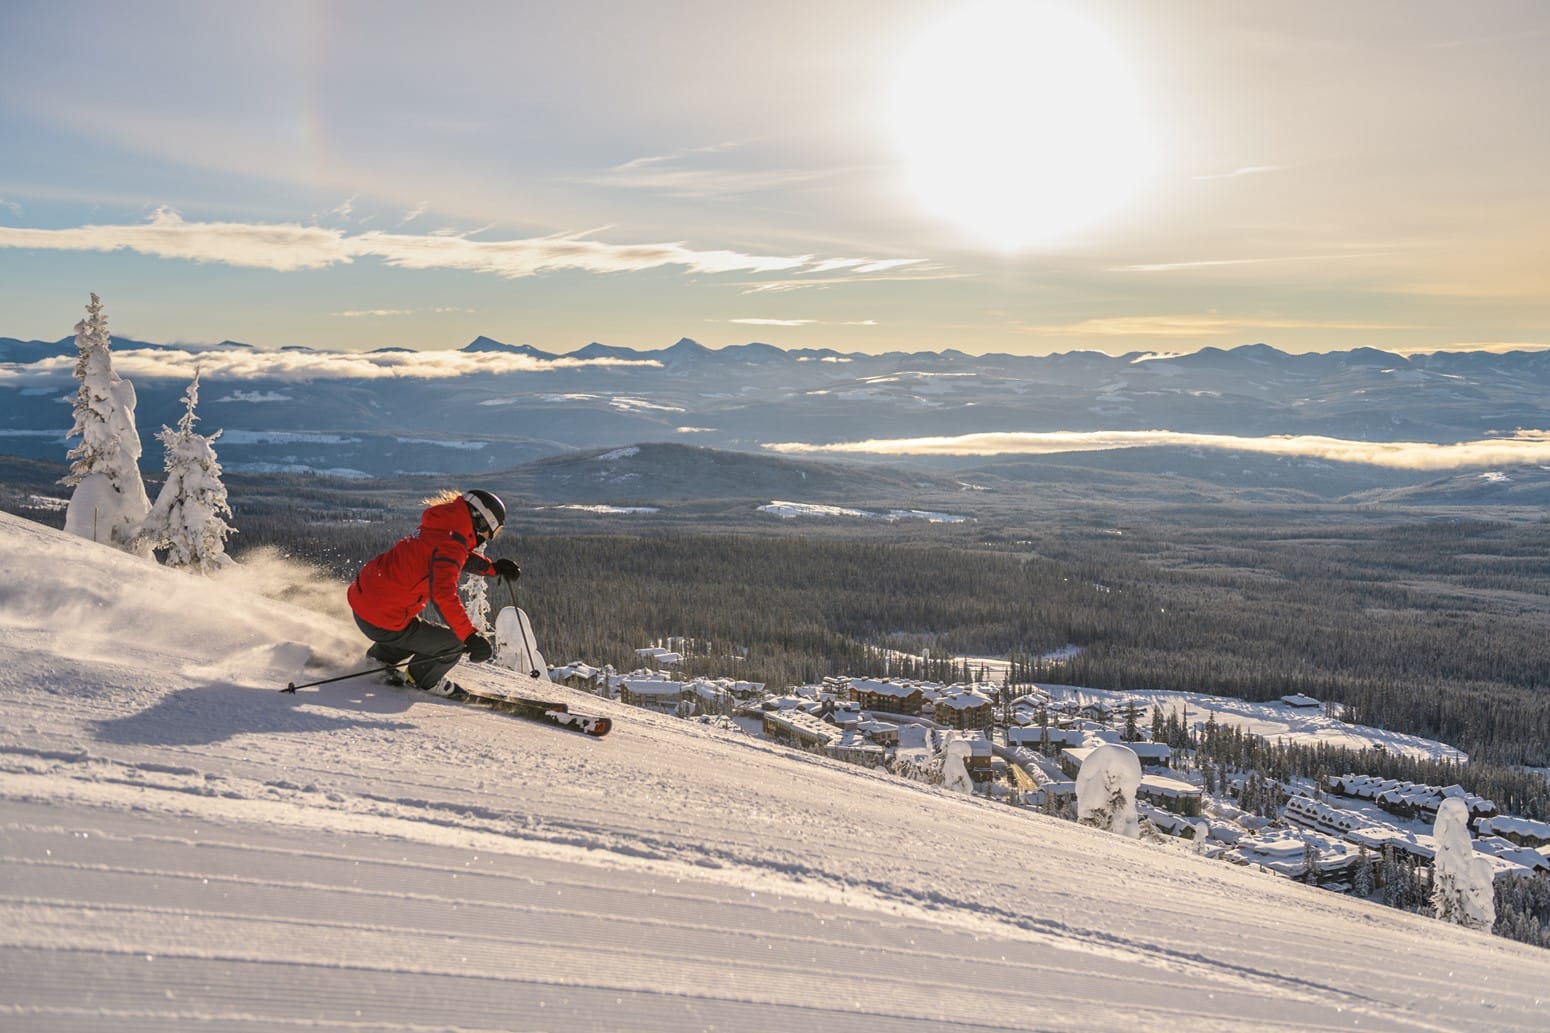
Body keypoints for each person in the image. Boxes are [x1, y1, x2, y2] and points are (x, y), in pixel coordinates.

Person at [347, 488, 521, 697]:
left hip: (366, 604)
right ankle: (422, 680)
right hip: (383, 618)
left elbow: (451, 556)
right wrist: (469, 636)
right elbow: (443, 595)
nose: (488, 538)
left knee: (413, 629)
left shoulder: (442, 526)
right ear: (480, 520)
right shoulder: (451, 542)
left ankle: (380, 659)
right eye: (490, 530)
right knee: (453, 644)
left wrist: (493, 568)